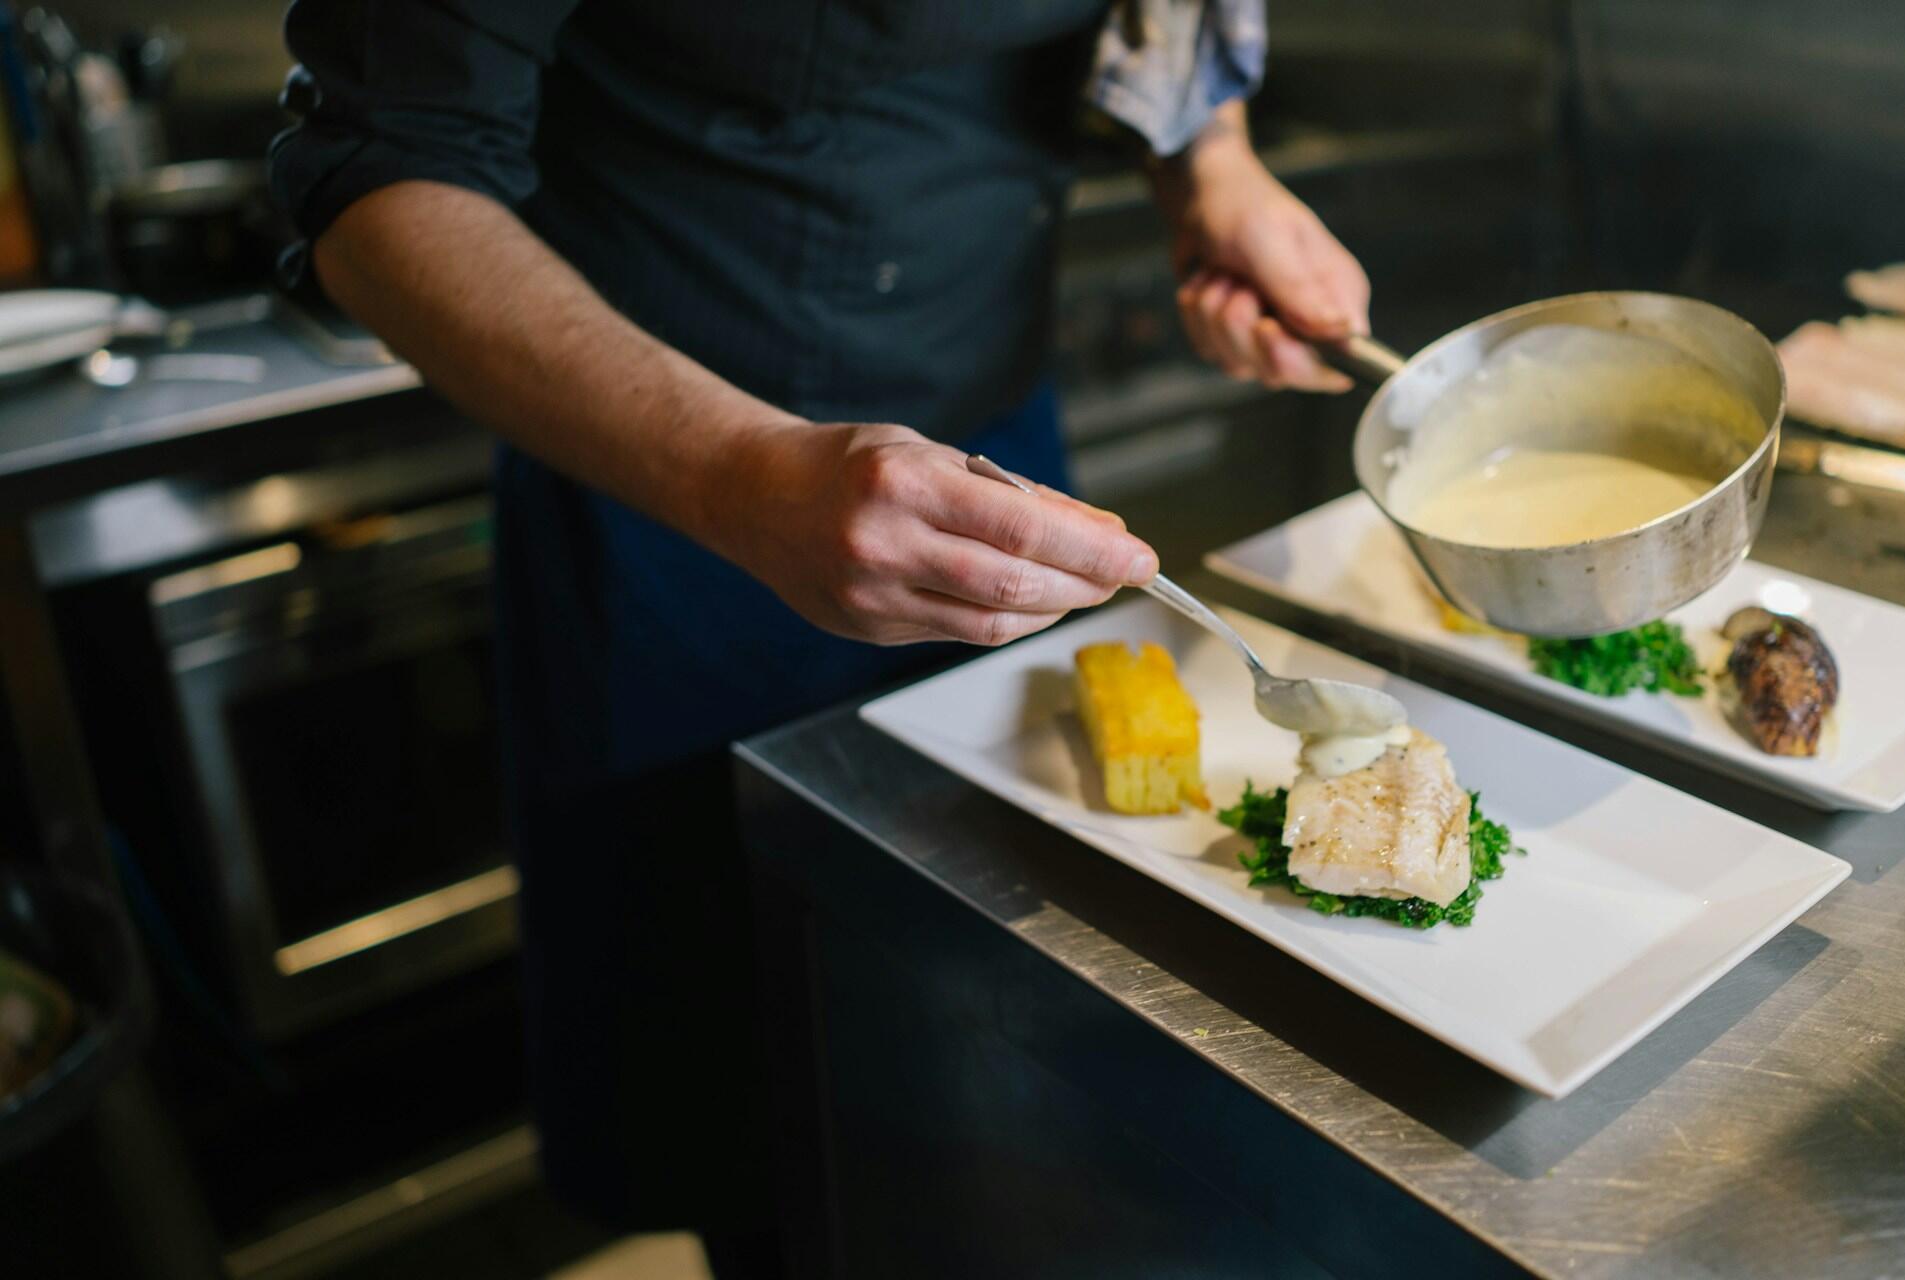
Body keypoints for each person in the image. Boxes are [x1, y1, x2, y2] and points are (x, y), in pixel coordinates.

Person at [270, 2, 1370, 1272]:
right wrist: (737, 478)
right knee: (768, 1123)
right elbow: (381, 179)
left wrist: (1211, 161)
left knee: (1028, 1082)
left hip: (993, 444)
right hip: (677, 500)